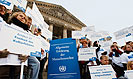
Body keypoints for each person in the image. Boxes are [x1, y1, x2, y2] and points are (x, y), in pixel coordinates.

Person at [8, 12, 40, 79]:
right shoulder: (8, 26)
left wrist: (27, 55)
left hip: (23, 54)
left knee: (34, 63)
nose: (23, 18)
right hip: (10, 52)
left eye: (24, 18)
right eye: (20, 16)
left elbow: (29, 45)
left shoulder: (25, 31)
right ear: (15, 16)